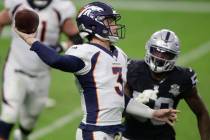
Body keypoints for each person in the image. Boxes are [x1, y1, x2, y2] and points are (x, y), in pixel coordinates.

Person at [14, 2, 179, 140]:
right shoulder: (85, 52)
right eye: (109, 21)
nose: (114, 26)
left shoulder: (120, 54)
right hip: (94, 131)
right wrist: (31, 41)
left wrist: (152, 113)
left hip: (115, 132)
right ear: (94, 25)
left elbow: (120, 99)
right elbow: (57, 60)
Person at [0, 0, 83, 139]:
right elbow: (2, 20)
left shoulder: (61, 7)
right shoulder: (17, 3)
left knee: (28, 123)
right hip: (16, 69)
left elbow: (77, 39)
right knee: (9, 114)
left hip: (41, 75)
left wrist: (60, 47)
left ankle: (21, 136)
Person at [123, 29, 210, 140]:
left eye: (166, 54)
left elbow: (201, 113)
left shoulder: (183, 78)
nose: (159, 57)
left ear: (173, 56)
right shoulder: (132, 69)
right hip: (130, 136)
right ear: (149, 48)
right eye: (156, 51)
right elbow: (120, 111)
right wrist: (136, 103)